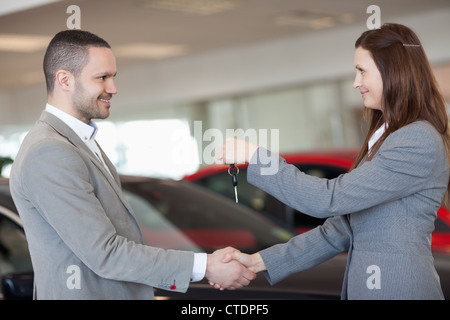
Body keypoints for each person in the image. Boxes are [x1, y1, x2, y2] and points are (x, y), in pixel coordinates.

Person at [9, 30, 255, 299]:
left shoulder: (77, 142)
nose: (113, 88)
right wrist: (205, 266)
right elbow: (106, 253)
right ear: (65, 80)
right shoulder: (50, 151)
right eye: (102, 77)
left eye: (113, 77)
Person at [214, 23, 450, 300]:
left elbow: (328, 199)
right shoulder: (387, 136)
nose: (356, 82)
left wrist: (256, 157)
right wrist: (257, 262)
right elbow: (339, 230)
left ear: (393, 70)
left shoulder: (416, 140)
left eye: (362, 71)